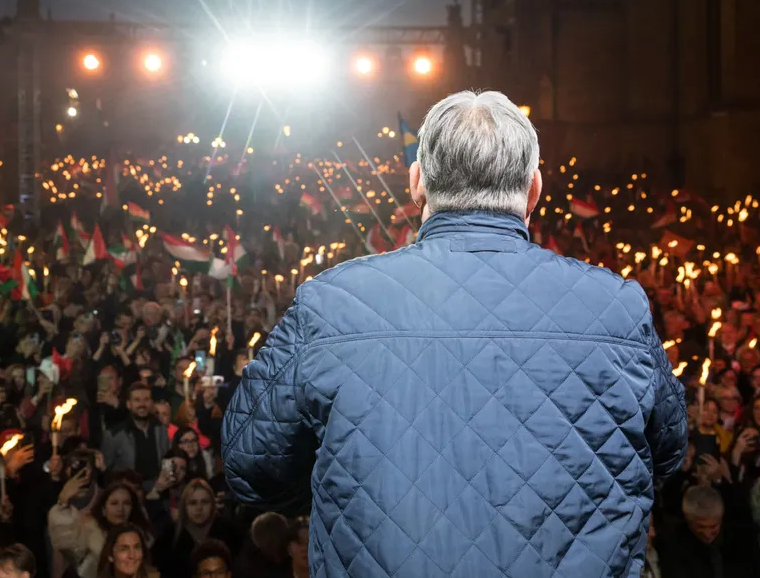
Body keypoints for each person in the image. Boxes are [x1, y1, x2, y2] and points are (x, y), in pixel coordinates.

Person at [222, 90, 688, 576]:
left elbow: (252, 466)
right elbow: (667, 453)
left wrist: (348, 482)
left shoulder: (331, 302)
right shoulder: (617, 306)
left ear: (417, 182)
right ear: (534, 188)